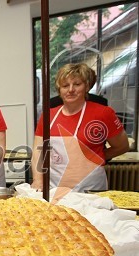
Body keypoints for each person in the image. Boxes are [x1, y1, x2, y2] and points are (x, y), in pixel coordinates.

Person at [31, 62, 129, 192]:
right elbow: (38, 151)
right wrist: (38, 181)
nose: (71, 89)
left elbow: (122, 146)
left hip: (90, 188)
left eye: (77, 84)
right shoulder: (48, 116)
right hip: (55, 187)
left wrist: (97, 156)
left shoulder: (104, 113)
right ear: (59, 89)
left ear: (86, 86)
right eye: (65, 85)